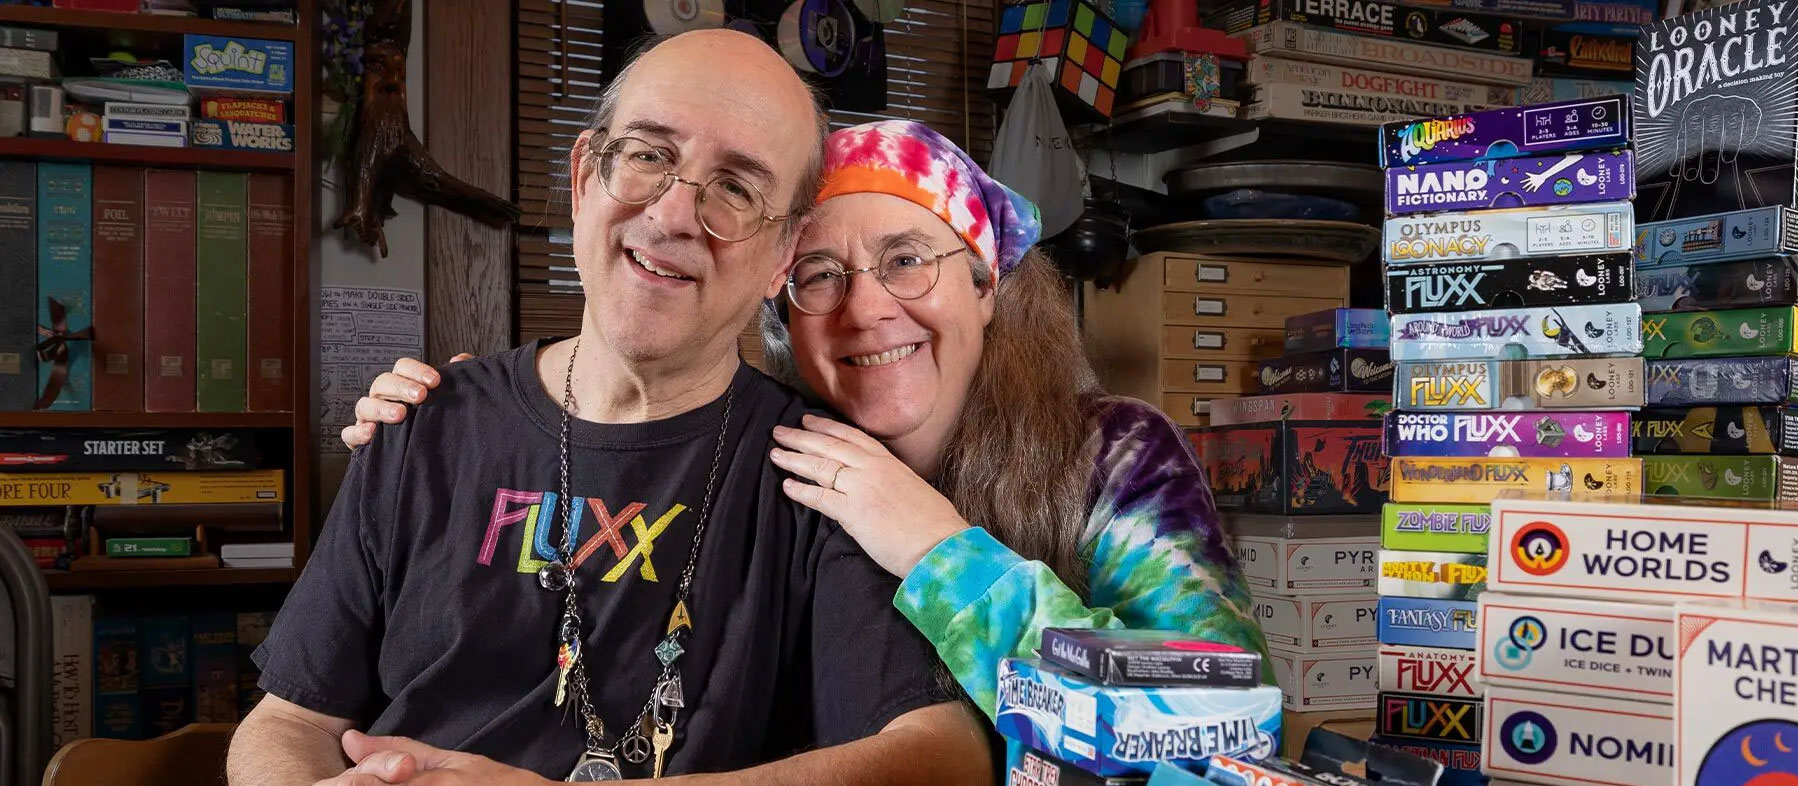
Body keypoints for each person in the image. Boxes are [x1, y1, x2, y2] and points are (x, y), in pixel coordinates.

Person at [231, 31, 994, 786]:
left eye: (736, 188)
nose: (674, 215)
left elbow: (947, 771)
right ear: (585, 174)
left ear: (783, 256)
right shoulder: (423, 425)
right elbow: (286, 723)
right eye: (648, 156)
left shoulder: (827, 472)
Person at [345, 119, 1265, 719]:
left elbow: (1232, 713)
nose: (864, 310)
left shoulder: (1113, 457)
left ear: (987, 288)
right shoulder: (752, 461)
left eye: (908, 259)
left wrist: (943, 555)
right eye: (820, 277)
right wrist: (456, 426)